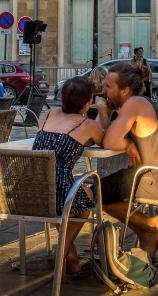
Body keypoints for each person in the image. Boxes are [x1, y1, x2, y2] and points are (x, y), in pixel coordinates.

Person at [96, 63, 158, 262]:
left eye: (108, 86)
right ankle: (147, 236)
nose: (103, 91)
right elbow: (105, 136)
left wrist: (126, 141)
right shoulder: (135, 103)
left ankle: (151, 224)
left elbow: (109, 141)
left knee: (90, 192)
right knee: (98, 189)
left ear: (125, 90)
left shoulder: (135, 103)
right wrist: (105, 112)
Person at [32, 76, 105, 276]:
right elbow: (103, 140)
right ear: (87, 102)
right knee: (85, 201)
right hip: (59, 188)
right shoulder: (87, 124)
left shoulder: (47, 115)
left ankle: (71, 257)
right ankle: (61, 253)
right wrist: (102, 112)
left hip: (32, 186)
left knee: (64, 203)